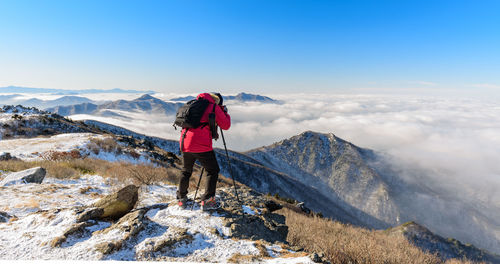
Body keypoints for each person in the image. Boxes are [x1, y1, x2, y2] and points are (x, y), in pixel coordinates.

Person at [176, 92, 231, 210]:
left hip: (185, 141)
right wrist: (224, 112)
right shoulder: (213, 107)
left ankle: (181, 199)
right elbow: (226, 125)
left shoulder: (192, 104)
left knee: (186, 171)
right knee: (212, 170)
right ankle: (208, 200)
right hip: (201, 144)